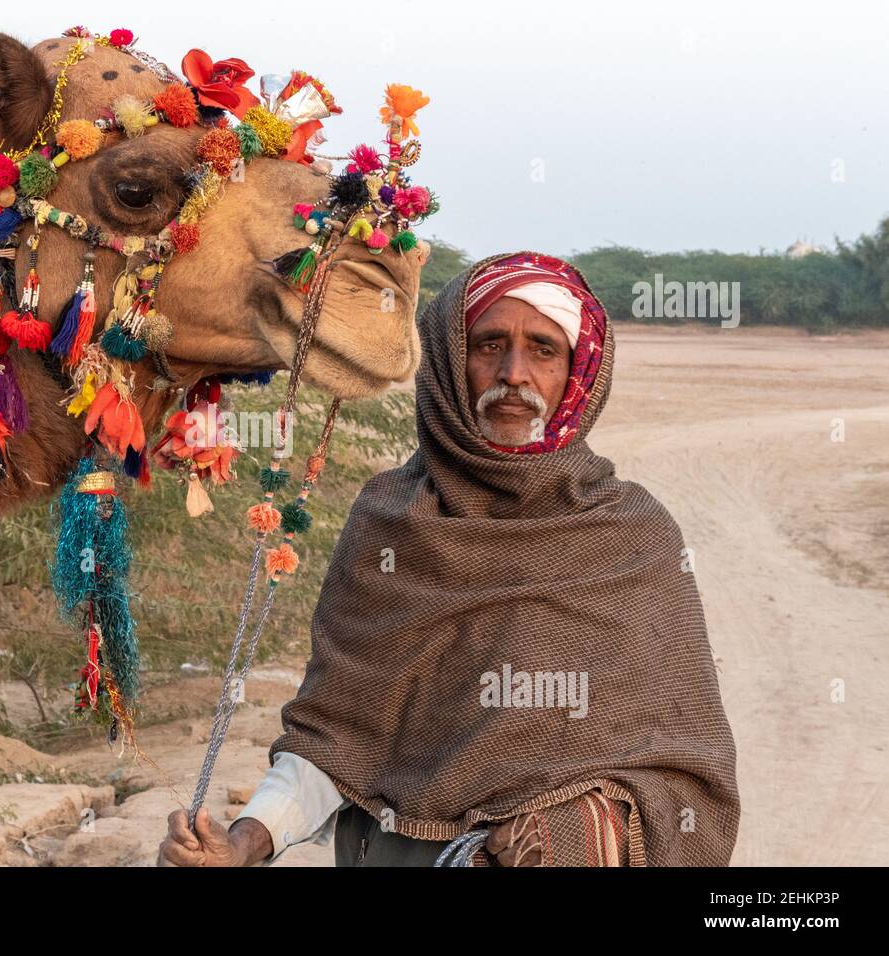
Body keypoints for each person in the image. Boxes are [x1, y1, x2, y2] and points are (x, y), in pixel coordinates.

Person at [158, 252, 740, 867]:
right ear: (448, 359)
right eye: (490, 344)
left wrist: (569, 835)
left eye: (543, 349)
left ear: (578, 373)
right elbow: (335, 737)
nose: (514, 373)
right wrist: (245, 843)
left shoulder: (632, 537)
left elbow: (684, 768)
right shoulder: (391, 518)